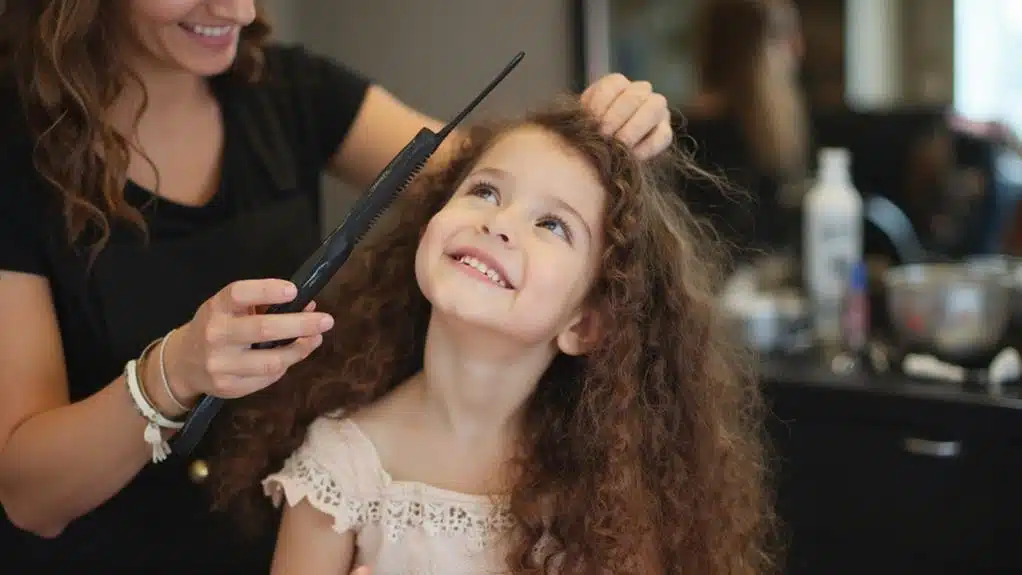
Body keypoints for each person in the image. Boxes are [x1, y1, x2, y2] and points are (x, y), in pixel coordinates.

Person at [0, 1, 674, 573]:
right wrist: (172, 372)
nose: (239, 10)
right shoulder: (15, 150)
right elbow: (29, 495)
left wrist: (605, 134)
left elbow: (501, 180)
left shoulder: (295, 94)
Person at [210, 100, 776, 574]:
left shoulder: (610, 500)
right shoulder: (341, 469)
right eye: (484, 191)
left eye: (552, 225)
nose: (499, 223)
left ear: (585, 324)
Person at [678, 0, 809, 260]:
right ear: (747, 48)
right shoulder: (698, 139)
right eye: (782, 35)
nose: (799, 50)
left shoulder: (761, 137)